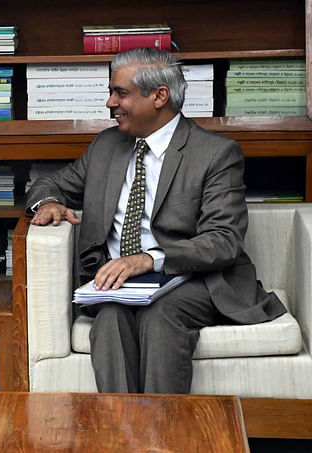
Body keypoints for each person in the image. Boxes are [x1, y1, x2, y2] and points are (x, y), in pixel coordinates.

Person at [25, 48, 286, 394]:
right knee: (110, 321)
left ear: (159, 96)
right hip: (118, 287)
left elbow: (223, 239)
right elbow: (50, 183)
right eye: (111, 92)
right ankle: (121, 433)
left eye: (120, 93)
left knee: (160, 316)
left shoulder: (215, 154)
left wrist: (150, 259)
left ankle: (162, 438)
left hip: (194, 280)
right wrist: (49, 203)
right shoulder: (106, 146)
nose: (109, 103)